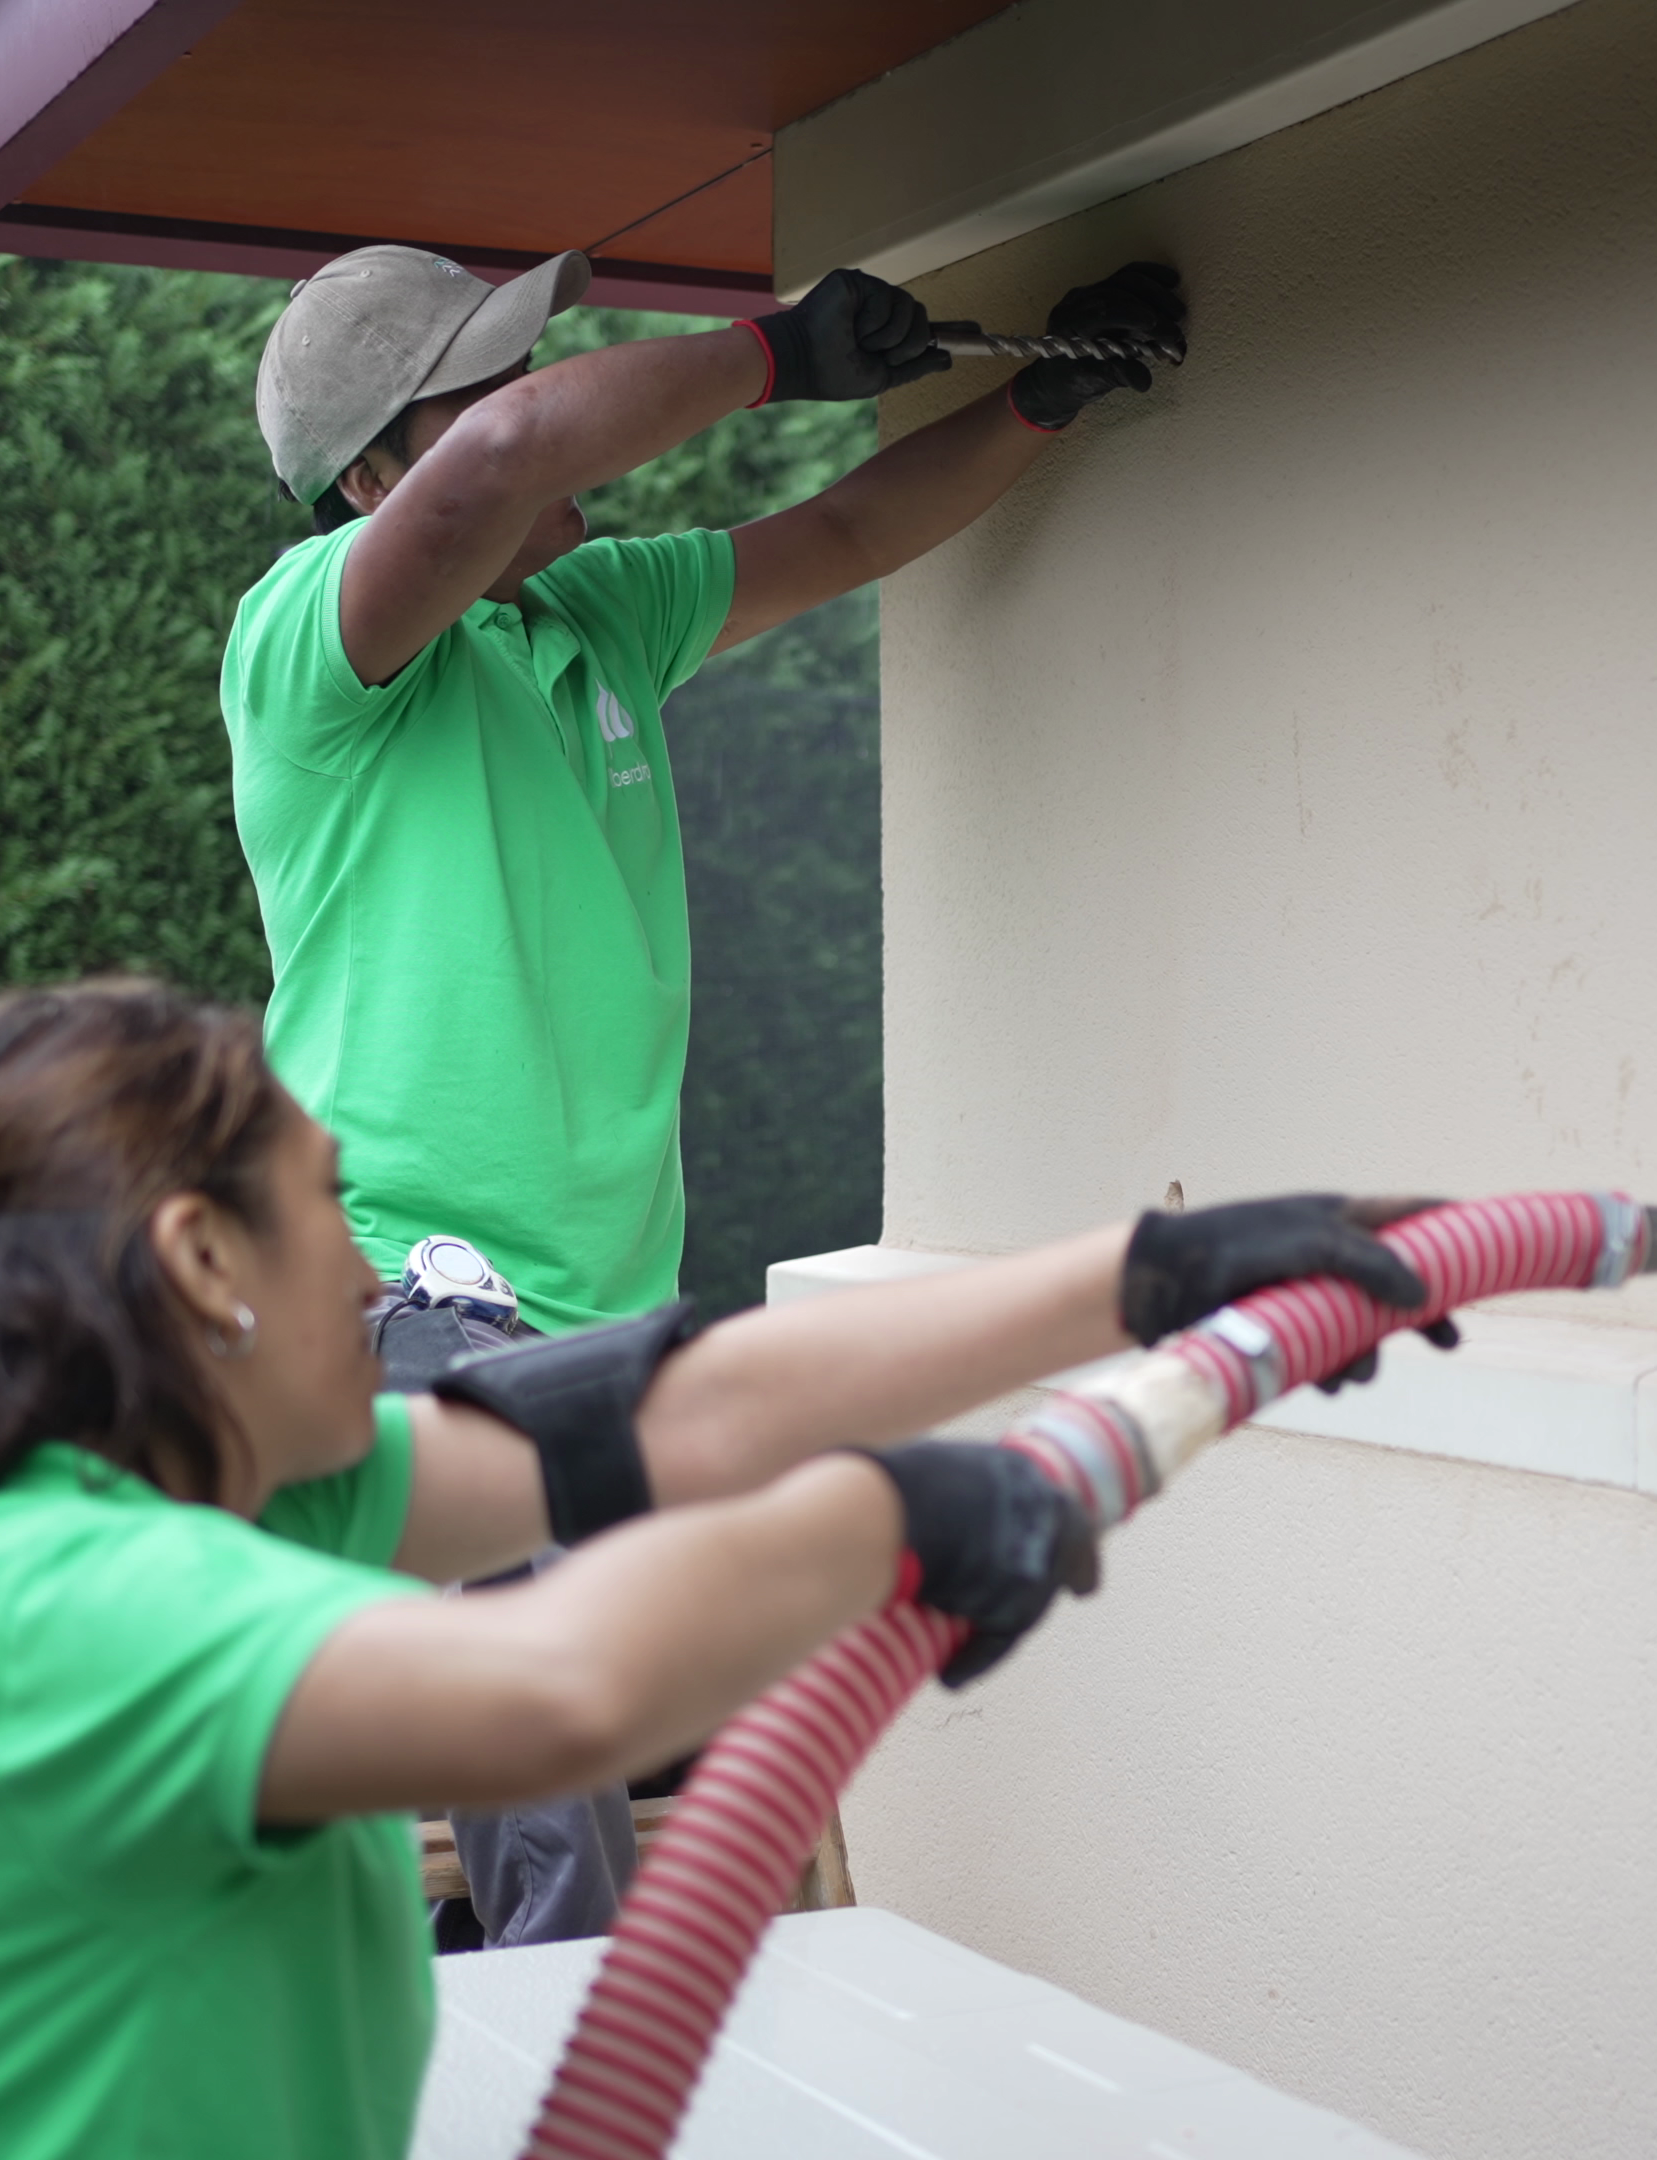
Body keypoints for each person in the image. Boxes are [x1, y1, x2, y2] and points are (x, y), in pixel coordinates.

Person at [0, 979, 1435, 2160]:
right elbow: (555, 1689)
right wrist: (900, 1515)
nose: (371, 1264)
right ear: (204, 1259)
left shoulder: (232, 1505)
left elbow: (687, 1413)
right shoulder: (20, 1615)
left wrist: (1158, 1273)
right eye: (326, 1205)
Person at [221, 244, 1188, 1940]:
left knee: (659, 1708)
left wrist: (1040, 396)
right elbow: (513, 460)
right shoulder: (307, 652)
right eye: (488, 388)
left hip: (606, 1309)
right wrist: (774, 355)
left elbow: (843, 536)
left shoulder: (596, 612)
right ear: (379, 478)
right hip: (401, 1284)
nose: (547, 418)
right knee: (541, 1729)